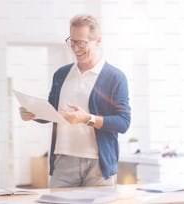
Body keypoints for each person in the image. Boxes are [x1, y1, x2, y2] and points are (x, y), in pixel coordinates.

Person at [19, 14, 131, 188]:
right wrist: (33, 113)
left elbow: (123, 123)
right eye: (72, 41)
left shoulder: (115, 77)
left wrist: (87, 118)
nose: (76, 48)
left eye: (82, 42)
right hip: (63, 162)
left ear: (98, 41)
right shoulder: (61, 74)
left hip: (99, 166)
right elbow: (53, 112)